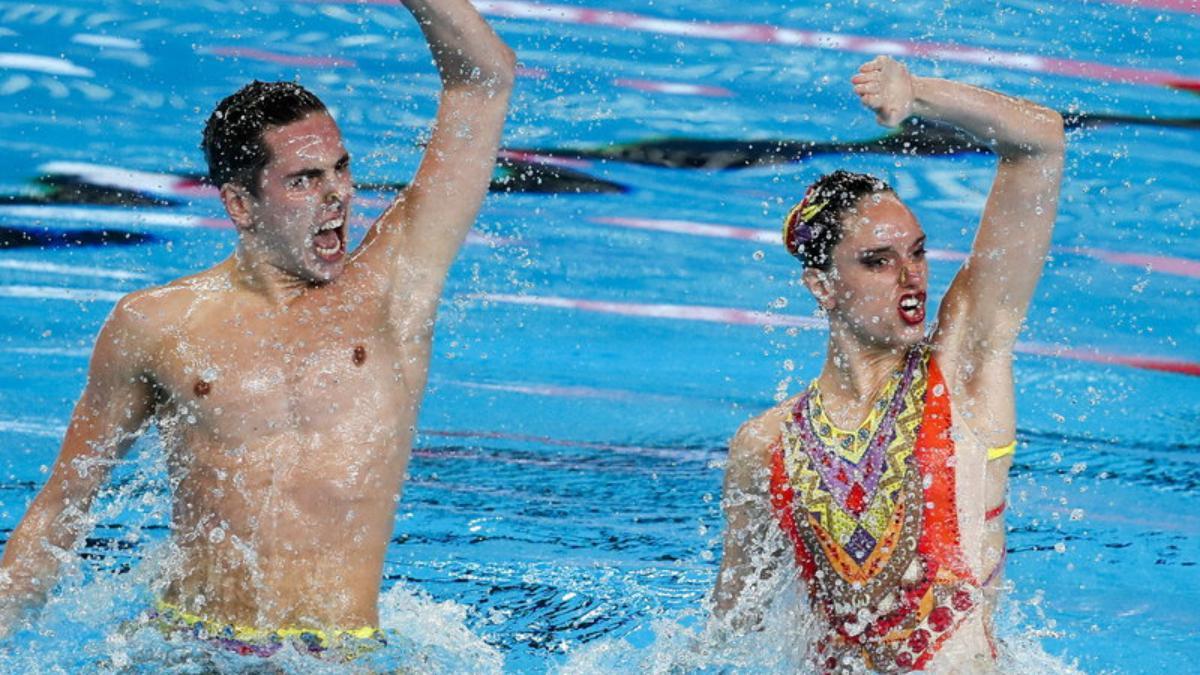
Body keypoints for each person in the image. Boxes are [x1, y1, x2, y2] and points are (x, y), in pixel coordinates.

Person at [0, 0, 514, 660]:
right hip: (189, 649)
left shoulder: (393, 291)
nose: (337, 195)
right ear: (240, 204)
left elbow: (483, 78)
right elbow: (61, 509)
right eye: (304, 179)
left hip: (340, 655)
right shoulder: (156, 325)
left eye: (341, 169)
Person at [711, 56, 1065, 672]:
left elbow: (1040, 144)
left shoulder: (963, 369)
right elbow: (730, 630)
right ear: (822, 287)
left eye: (919, 253)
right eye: (877, 261)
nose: (912, 279)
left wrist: (918, 94)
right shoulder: (765, 447)